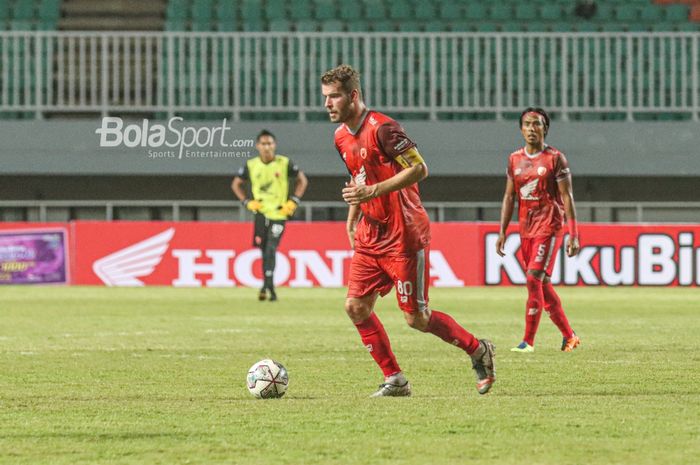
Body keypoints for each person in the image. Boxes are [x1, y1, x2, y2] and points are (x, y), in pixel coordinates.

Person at [321, 64, 495, 397]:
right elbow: (362, 178)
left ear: (353, 96)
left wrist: (371, 193)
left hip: (403, 235)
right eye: (325, 98)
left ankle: (478, 350)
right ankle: (395, 380)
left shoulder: (383, 129)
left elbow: (420, 168)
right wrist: (353, 215)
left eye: (334, 97)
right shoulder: (340, 136)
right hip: (372, 234)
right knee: (355, 307)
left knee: (416, 318)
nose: (328, 104)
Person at [496, 107, 581, 353]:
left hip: (550, 226)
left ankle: (528, 342)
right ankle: (569, 335)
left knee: (533, 278)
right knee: (542, 284)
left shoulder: (555, 158)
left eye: (537, 124)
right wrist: (502, 231)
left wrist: (573, 234)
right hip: (526, 229)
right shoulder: (514, 159)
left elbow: (567, 196)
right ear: (521, 129)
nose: (532, 129)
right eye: (527, 124)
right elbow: (509, 196)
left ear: (545, 128)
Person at [231, 129, 308, 301]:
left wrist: (294, 201)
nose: (267, 147)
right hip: (260, 213)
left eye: (270, 143)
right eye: (263, 144)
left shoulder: (284, 163)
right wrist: (246, 202)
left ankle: (268, 288)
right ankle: (268, 286)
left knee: (271, 248)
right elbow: (236, 184)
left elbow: (302, 180)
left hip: (279, 213)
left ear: (275, 145)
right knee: (263, 249)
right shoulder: (251, 165)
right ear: (258, 146)